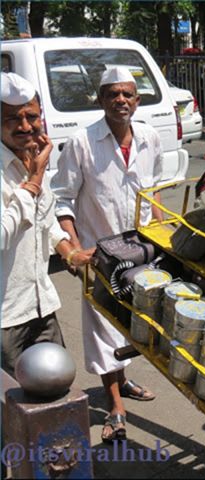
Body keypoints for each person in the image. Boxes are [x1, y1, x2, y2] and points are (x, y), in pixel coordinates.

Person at [52, 66, 163, 443]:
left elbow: (154, 189)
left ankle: (122, 380)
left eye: (128, 94)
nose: (121, 100)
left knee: (131, 323)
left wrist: (163, 231)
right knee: (102, 328)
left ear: (137, 100)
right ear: (100, 100)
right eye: (113, 94)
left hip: (142, 251)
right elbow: (62, 199)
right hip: (100, 254)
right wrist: (73, 245)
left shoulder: (149, 137)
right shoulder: (82, 143)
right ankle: (116, 406)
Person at [1, 72, 94, 376]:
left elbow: (45, 222)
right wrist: (34, 182)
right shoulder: (26, 170)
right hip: (6, 318)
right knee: (12, 411)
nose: (25, 126)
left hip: (41, 306)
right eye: (13, 118)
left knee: (58, 391)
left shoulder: (30, 158)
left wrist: (70, 253)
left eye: (31, 116)